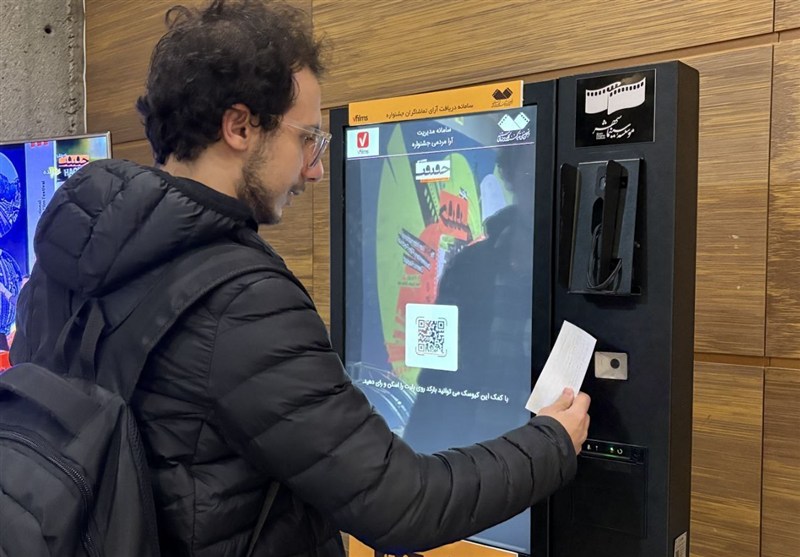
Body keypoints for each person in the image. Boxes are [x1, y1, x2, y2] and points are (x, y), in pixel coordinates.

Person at [11, 1, 591, 556]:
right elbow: (400, 503)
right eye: (307, 138)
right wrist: (551, 442)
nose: (314, 170)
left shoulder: (63, 265)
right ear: (240, 126)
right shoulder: (242, 299)